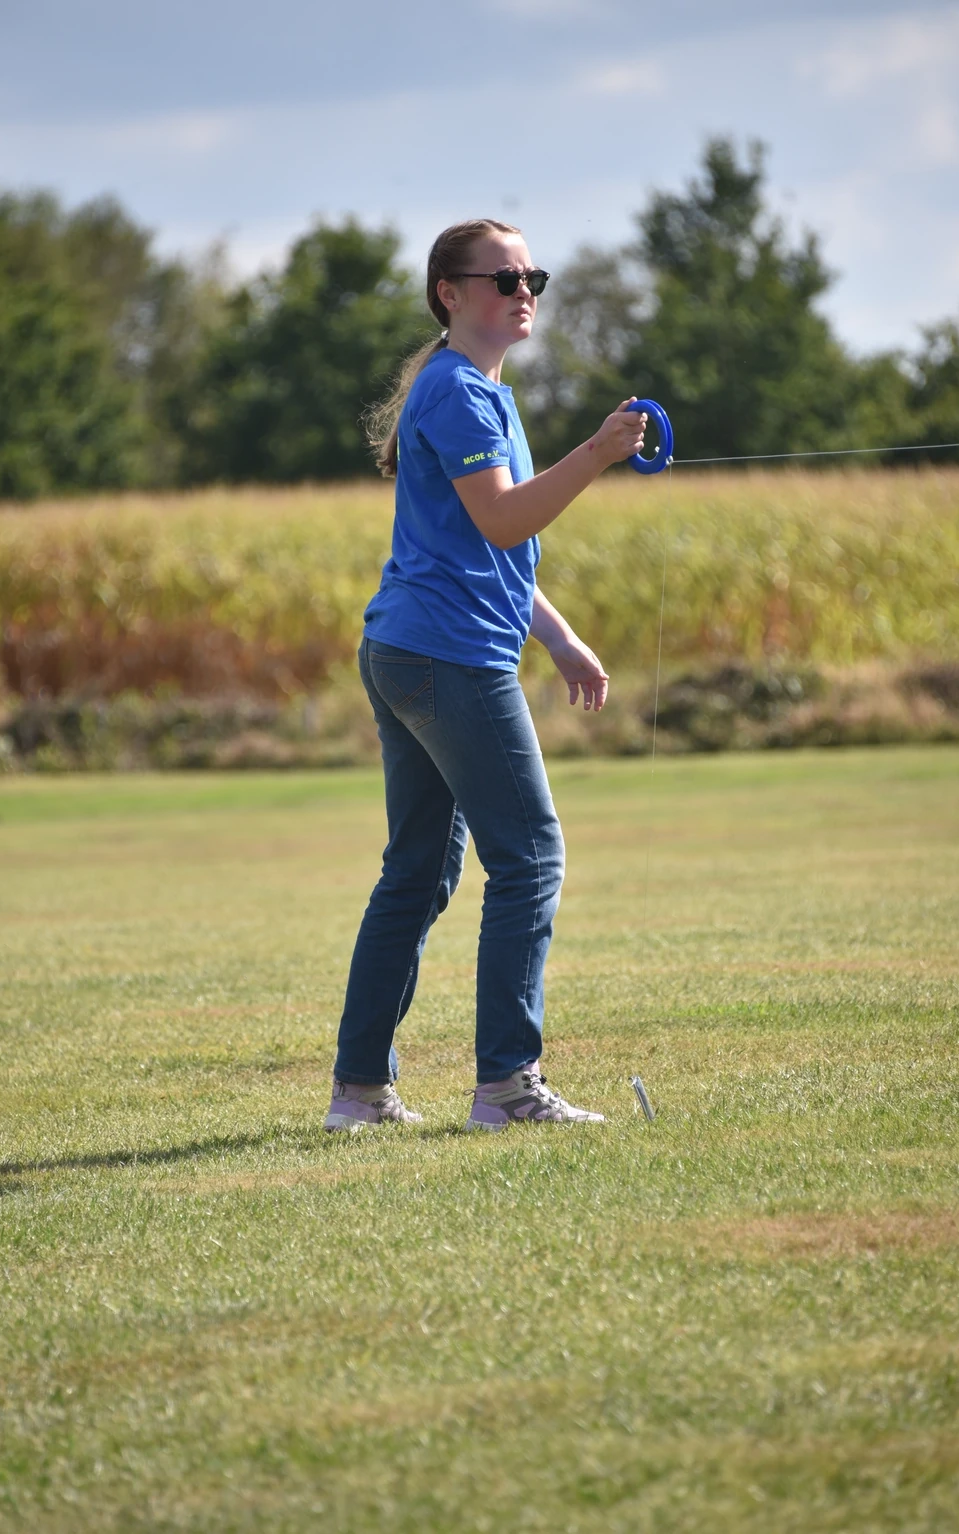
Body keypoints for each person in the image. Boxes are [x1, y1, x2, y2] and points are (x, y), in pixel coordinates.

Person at [323, 217, 647, 1133]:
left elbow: (488, 548)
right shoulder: (460, 393)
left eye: (532, 277)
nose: (524, 292)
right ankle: (507, 1088)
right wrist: (597, 453)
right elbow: (506, 522)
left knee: (417, 874)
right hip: (447, 657)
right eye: (503, 279)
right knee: (530, 856)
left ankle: (359, 1095)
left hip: (411, 650)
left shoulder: (473, 390)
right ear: (449, 294)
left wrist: (560, 637)